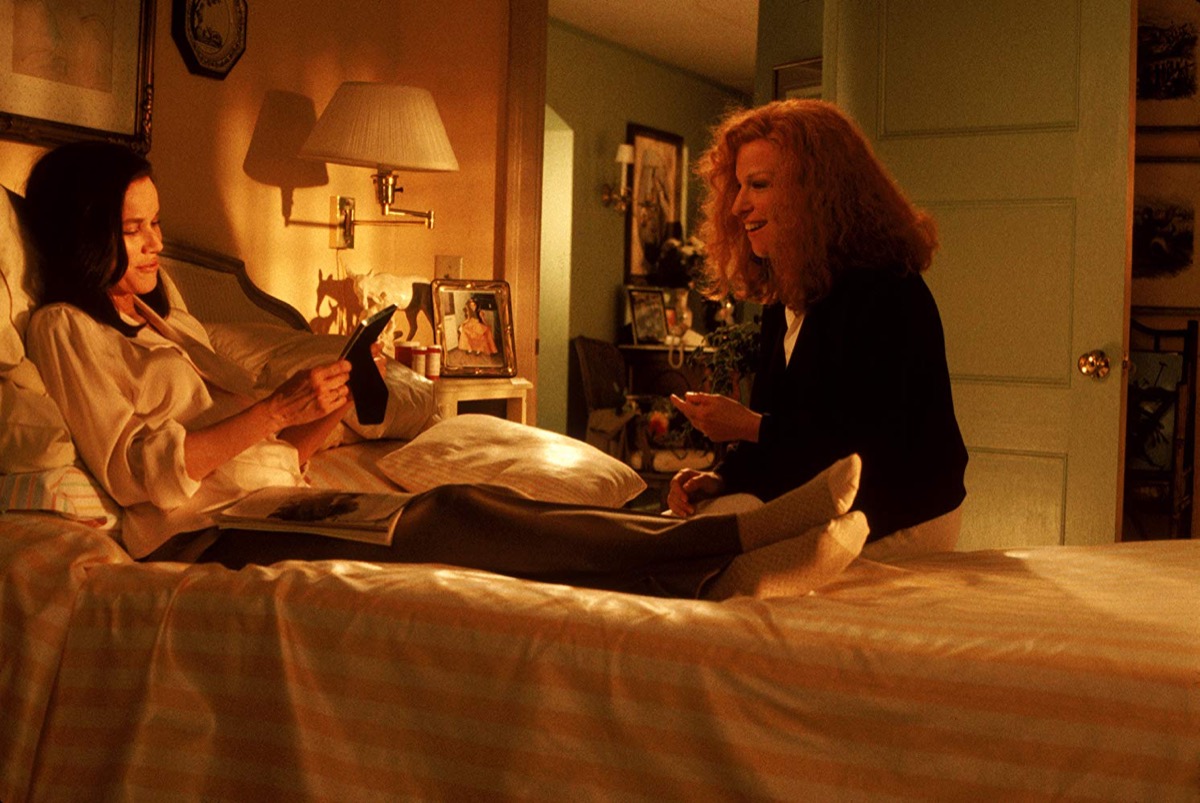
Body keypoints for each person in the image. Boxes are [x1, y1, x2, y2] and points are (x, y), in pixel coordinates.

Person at [22, 140, 870, 600]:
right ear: (87, 234)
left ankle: (719, 550)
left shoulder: (168, 316)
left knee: (476, 503)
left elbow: (280, 453)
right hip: (207, 536)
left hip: (276, 496)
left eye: (156, 222)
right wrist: (273, 409)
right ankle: (720, 552)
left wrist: (327, 404)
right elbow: (138, 473)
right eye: (134, 229)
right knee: (452, 514)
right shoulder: (68, 328)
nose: (156, 242)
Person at [667, 99, 968, 555]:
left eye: (758, 185)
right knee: (688, 532)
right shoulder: (788, 289)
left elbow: (862, 449)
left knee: (708, 554)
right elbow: (785, 435)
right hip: (828, 500)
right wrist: (721, 478)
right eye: (738, 186)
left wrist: (750, 426)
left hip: (900, 511)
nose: (738, 206)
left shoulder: (885, 290)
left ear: (817, 192)